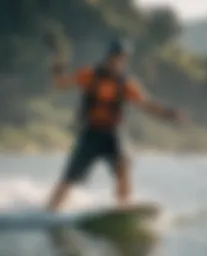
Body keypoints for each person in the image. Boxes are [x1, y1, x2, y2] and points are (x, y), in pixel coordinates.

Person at [47, 38, 184, 211]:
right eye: (116, 56)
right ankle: (49, 212)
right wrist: (58, 58)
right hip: (91, 133)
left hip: (112, 134)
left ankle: (124, 208)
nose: (118, 61)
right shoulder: (90, 75)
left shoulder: (126, 83)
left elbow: (145, 104)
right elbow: (61, 83)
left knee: (124, 166)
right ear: (109, 56)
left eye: (122, 58)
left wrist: (169, 113)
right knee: (69, 178)